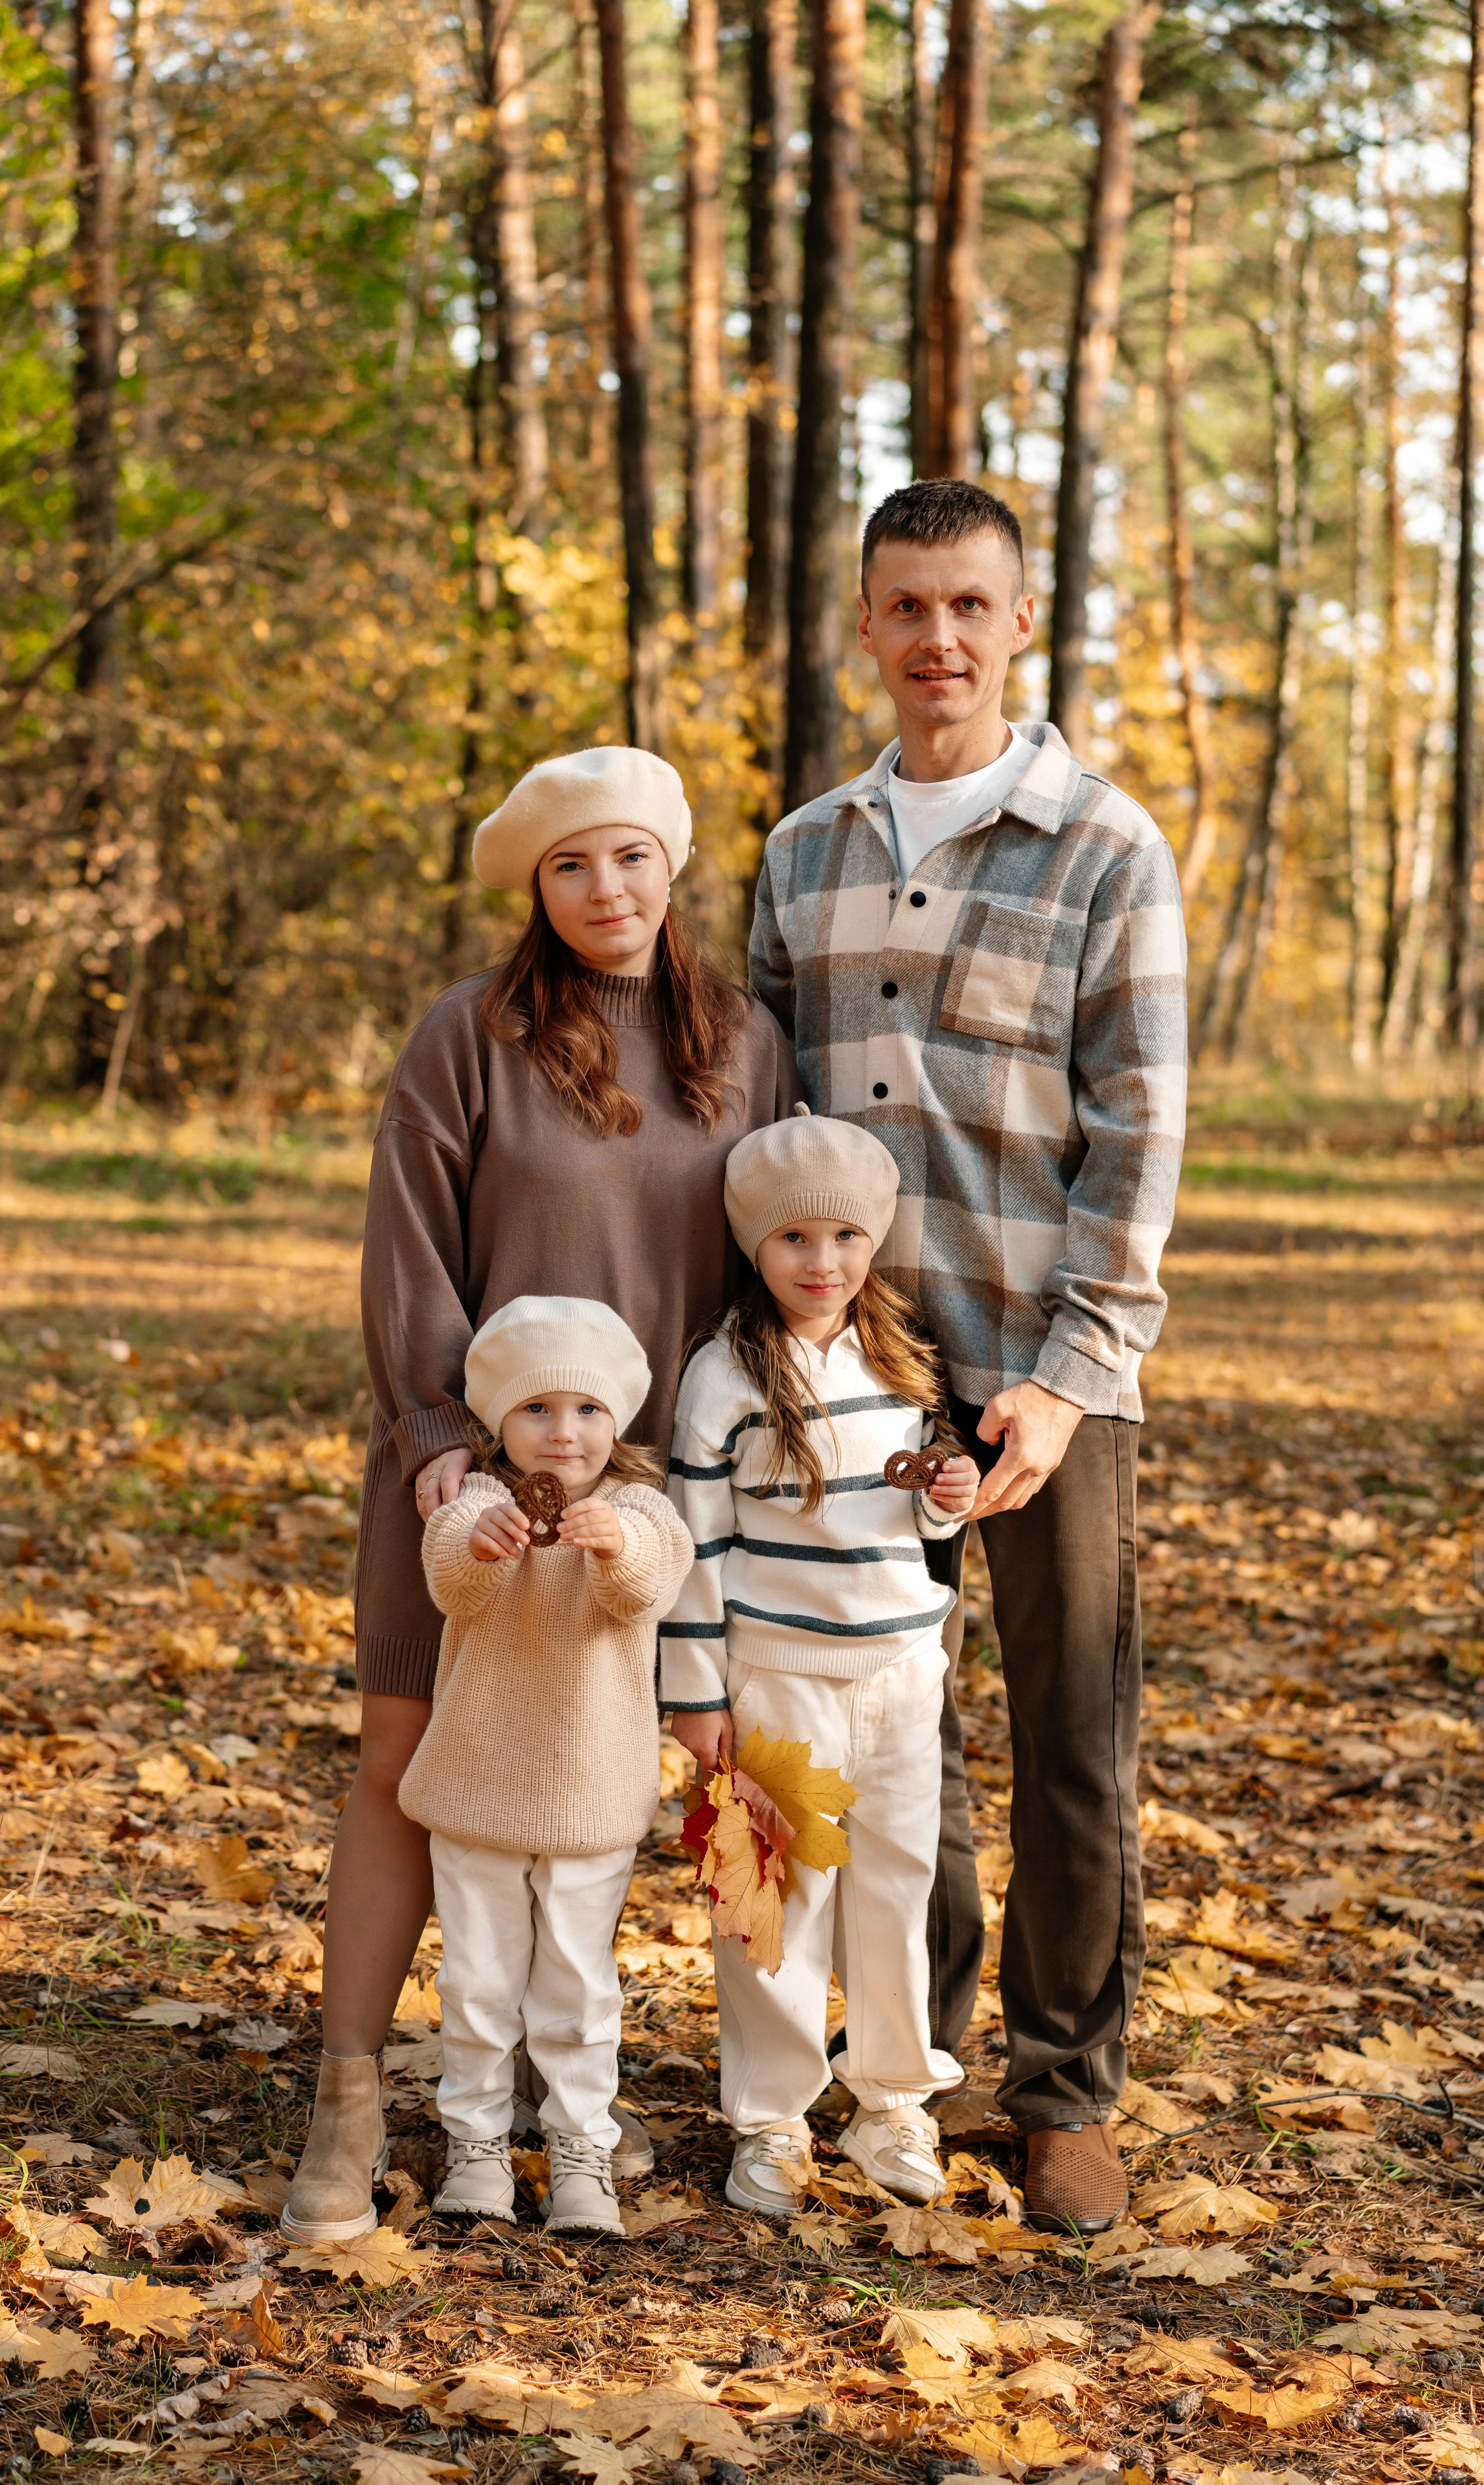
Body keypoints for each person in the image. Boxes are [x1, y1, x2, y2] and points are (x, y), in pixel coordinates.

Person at [281, 743, 799, 2245]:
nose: (603, 888)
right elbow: (405, 1248)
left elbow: (777, 1254)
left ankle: (649, 2104)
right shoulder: (470, 1035)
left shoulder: (747, 1044)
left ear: (672, 864)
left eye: (629, 855)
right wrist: (440, 1432)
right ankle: (350, 2094)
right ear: (536, 886)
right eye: (569, 864)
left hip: (652, 1492)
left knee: (631, 1770)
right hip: (463, 1464)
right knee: (404, 1748)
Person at [749, 477, 1188, 2234]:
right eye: (905, 604)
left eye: (968, 605)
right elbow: (767, 1130)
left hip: (1045, 1378)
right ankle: (906, 2057)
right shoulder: (803, 854)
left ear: (1021, 624)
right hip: (858, 1377)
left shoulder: (1105, 844)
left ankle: (1065, 2084)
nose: (937, 635)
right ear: (867, 625)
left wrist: (1070, 1374)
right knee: (878, 1715)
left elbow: (1136, 1135)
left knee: (1069, 1733)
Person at [662, 1112, 980, 2218]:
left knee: (896, 1889)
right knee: (775, 1904)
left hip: (899, 1670)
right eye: (795, 1237)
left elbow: (924, 1490)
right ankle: (771, 2118)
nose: (822, 1261)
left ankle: (894, 2096)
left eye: (846, 1235)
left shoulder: (901, 1357)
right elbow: (695, 1550)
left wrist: (950, 1489)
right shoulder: (725, 1378)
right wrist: (696, 1692)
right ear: (756, 1245)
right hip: (779, 1678)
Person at [399, 1296, 693, 2236]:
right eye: (537, 1410)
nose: (563, 1434)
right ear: (498, 1423)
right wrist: (482, 1549)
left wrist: (618, 1546)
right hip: (480, 1791)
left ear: (620, 1421)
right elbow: (451, 1575)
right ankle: (477, 2146)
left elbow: (651, 1578)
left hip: (590, 1796)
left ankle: (580, 2150)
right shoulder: (481, 1504)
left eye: (587, 1411)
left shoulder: (640, 1507)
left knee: (576, 1987)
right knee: (478, 1984)